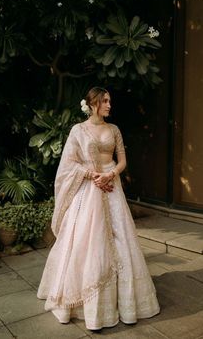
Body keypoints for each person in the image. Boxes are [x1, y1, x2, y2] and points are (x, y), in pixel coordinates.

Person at [37, 87, 160, 330]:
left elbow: (123, 160)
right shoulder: (78, 130)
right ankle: (87, 303)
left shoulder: (113, 129)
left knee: (122, 239)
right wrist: (92, 174)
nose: (109, 105)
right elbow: (68, 164)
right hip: (89, 188)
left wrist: (110, 174)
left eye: (109, 101)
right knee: (88, 241)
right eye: (104, 101)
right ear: (92, 104)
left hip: (112, 187)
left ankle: (124, 303)